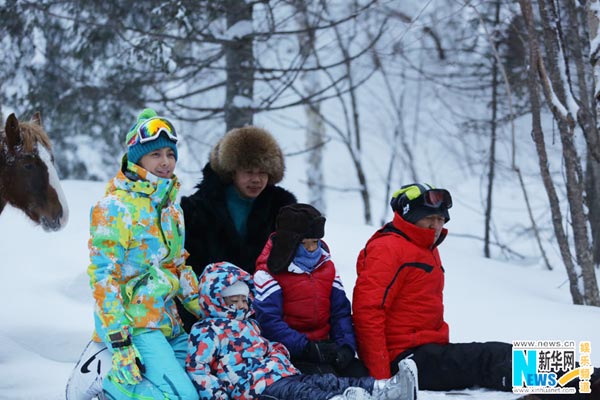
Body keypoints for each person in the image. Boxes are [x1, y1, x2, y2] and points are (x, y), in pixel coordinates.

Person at [65, 109, 201, 400]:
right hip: (135, 325)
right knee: (183, 398)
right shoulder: (115, 207)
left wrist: (207, 310)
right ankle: (109, 387)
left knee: (203, 385)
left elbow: (178, 265)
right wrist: (120, 342)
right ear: (137, 158)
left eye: (170, 153)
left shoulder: (172, 209)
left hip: (169, 322)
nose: (165, 162)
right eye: (155, 155)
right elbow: (104, 279)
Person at [352, 183, 514, 391]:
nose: (436, 226)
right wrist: (382, 381)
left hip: (428, 350)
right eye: (429, 217)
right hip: (404, 362)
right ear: (410, 216)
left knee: (499, 356)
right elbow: (367, 313)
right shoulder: (388, 248)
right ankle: (568, 378)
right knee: (493, 358)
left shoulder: (424, 246)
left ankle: (568, 374)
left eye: (440, 219)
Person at [185, 261, 418, 400]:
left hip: (280, 373)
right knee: (304, 392)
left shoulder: (250, 324)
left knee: (326, 380)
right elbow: (198, 369)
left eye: (244, 300)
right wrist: (220, 396)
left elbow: (267, 346)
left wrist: (278, 353)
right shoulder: (207, 331)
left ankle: (385, 389)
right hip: (254, 388)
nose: (241, 306)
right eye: (232, 301)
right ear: (214, 301)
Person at [177, 125, 296, 332]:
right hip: (210, 314)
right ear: (232, 172)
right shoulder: (197, 209)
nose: (256, 179)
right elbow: (187, 270)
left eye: (263, 172)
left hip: (267, 312)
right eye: (249, 172)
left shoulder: (284, 210)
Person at [253, 203, 368, 377]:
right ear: (289, 242)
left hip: (326, 345)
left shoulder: (326, 266)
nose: (312, 249)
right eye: (304, 244)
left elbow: (340, 312)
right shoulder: (268, 273)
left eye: (315, 242)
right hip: (289, 352)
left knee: (359, 372)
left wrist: (345, 346)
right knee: (325, 379)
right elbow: (269, 322)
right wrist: (306, 347)